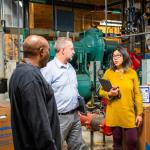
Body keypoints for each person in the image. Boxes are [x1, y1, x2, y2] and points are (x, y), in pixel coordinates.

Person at [9, 35, 61, 150]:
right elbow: (39, 125)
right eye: (48, 51)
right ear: (41, 52)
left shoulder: (18, 73)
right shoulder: (31, 78)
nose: (49, 55)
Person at [41, 37, 87, 150]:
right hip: (59, 118)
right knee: (54, 147)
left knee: (78, 146)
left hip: (75, 116)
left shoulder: (70, 67)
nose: (74, 51)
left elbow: (74, 90)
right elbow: (42, 96)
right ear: (62, 50)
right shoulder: (48, 69)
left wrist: (79, 107)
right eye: (71, 49)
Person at [99, 46, 143, 150]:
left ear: (124, 56)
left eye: (118, 55)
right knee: (117, 144)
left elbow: (137, 94)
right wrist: (109, 94)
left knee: (133, 141)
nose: (115, 58)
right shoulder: (108, 72)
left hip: (129, 114)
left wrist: (139, 113)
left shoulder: (132, 73)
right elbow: (101, 91)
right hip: (114, 113)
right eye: (114, 56)